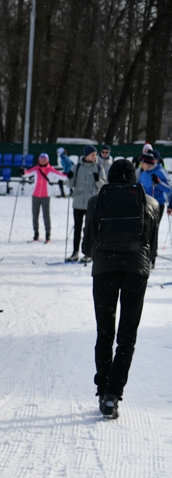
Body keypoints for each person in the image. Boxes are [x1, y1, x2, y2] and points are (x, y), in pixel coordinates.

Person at [80, 159, 160, 419]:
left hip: (104, 269)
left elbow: (86, 246)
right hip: (136, 271)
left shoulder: (96, 202)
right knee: (127, 336)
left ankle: (102, 389)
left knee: (104, 332)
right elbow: (153, 248)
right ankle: (114, 395)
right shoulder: (150, 203)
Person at [67, 145, 107, 262]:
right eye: (92, 154)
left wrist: (98, 180)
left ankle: (89, 253)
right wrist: (69, 177)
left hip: (92, 204)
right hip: (78, 203)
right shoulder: (77, 167)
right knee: (77, 229)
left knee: (89, 230)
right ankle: (75, 252)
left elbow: (104, 186)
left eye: (95, 154)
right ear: (86, 155)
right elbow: (70, 185)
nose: (95, 156)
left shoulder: (99, 168)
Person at [23, 153, 67, 243]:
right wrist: (22, 172)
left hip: (46, 196)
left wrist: (67, 175)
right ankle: (36, 234)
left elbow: (61, 176)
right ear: (39, 160)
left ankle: (48, 235)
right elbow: (27, 173)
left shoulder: (51, 170)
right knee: (35, 215)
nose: (43, 161)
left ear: (47, 160)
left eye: (44, 159)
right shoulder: (36, 169)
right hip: (35, 195)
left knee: (46, 215)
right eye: (41, 159)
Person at [137, 152, 171, 267]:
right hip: (145, 204)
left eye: (143, 162)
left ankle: (152, 257)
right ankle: (144, 255)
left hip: (157, 205)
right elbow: (139, 185)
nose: (141, 164)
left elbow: (169, 189)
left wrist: (158, 183)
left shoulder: (160, 172)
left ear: (148, 163)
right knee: (145, 229)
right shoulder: (143, 173)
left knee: (153, 230)